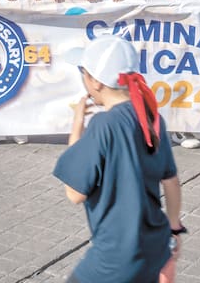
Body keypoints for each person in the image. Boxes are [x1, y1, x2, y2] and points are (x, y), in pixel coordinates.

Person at [53, 34, 183, 283]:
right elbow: (172, 182)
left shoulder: (103, 124)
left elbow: (75, 193)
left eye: (83, 72)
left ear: (95, 82)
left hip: (116, 258)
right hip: (154, 246)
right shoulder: (152, 117)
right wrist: (175, 228)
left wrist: (78, 123)